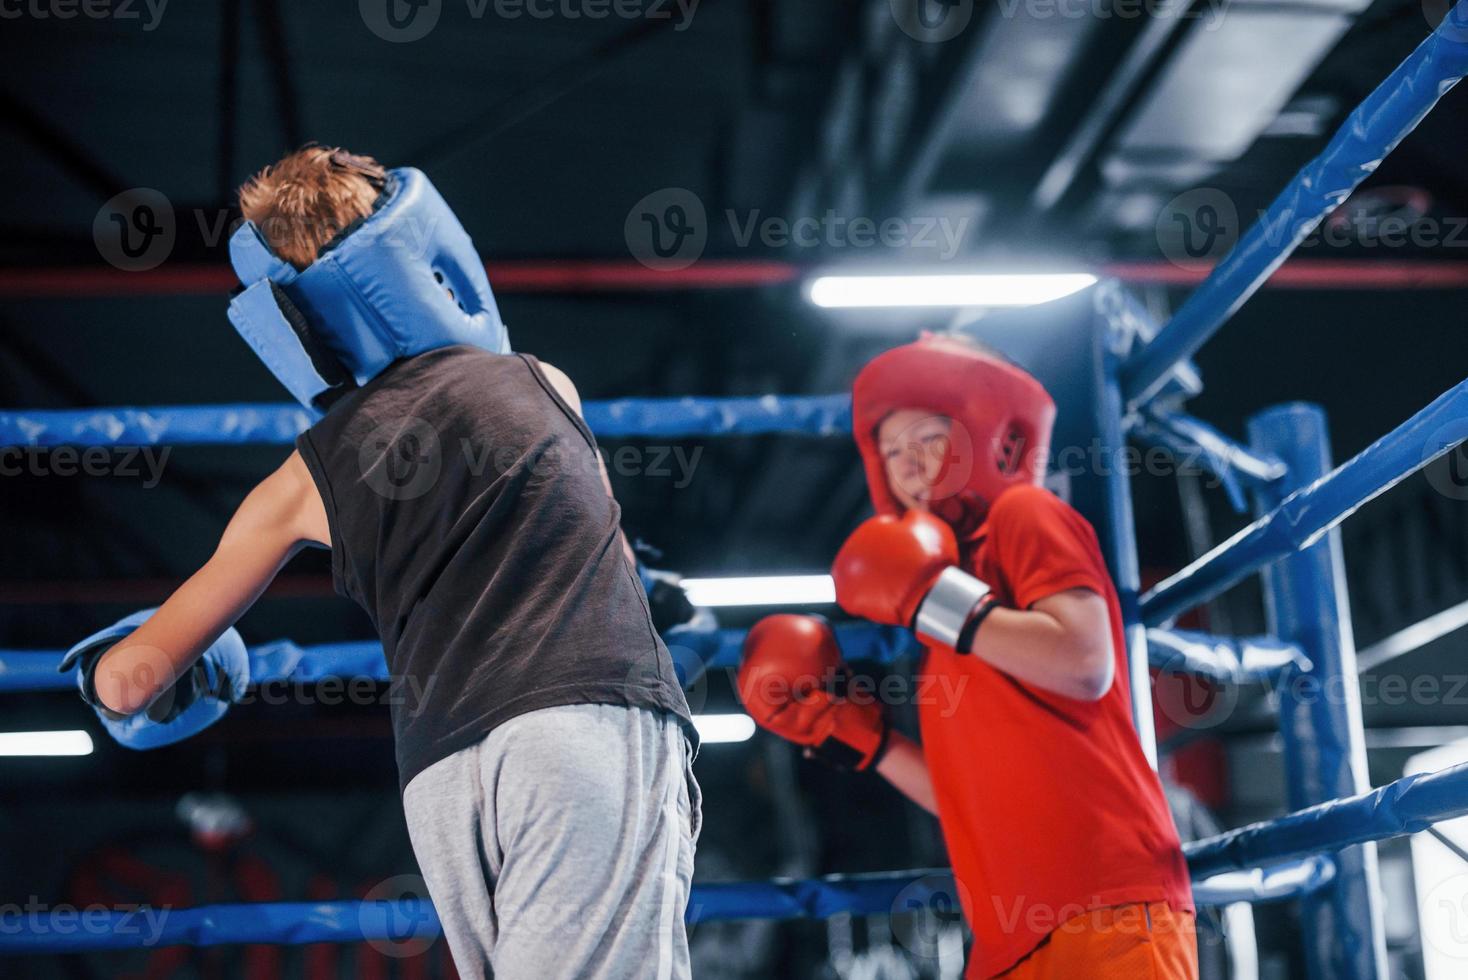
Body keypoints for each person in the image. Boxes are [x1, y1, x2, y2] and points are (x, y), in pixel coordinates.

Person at [61, 146, 701, 980]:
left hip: (441, 776)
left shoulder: (297, 480)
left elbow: (124, 684)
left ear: (296, 320)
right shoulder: (541, 383)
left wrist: (165, 664)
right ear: (421, 254)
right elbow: (599, 541)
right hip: (580, 720)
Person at [739, 332, 1196, 979]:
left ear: (985, 437)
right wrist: (854, 738)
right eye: (893, 449)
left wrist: (935, 603)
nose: (908, 463)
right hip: (1007, 931)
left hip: (1104, 900)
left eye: (929, 439)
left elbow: (1085, 660)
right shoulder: (945, 610)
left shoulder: (1023, 514)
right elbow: (961, 796)